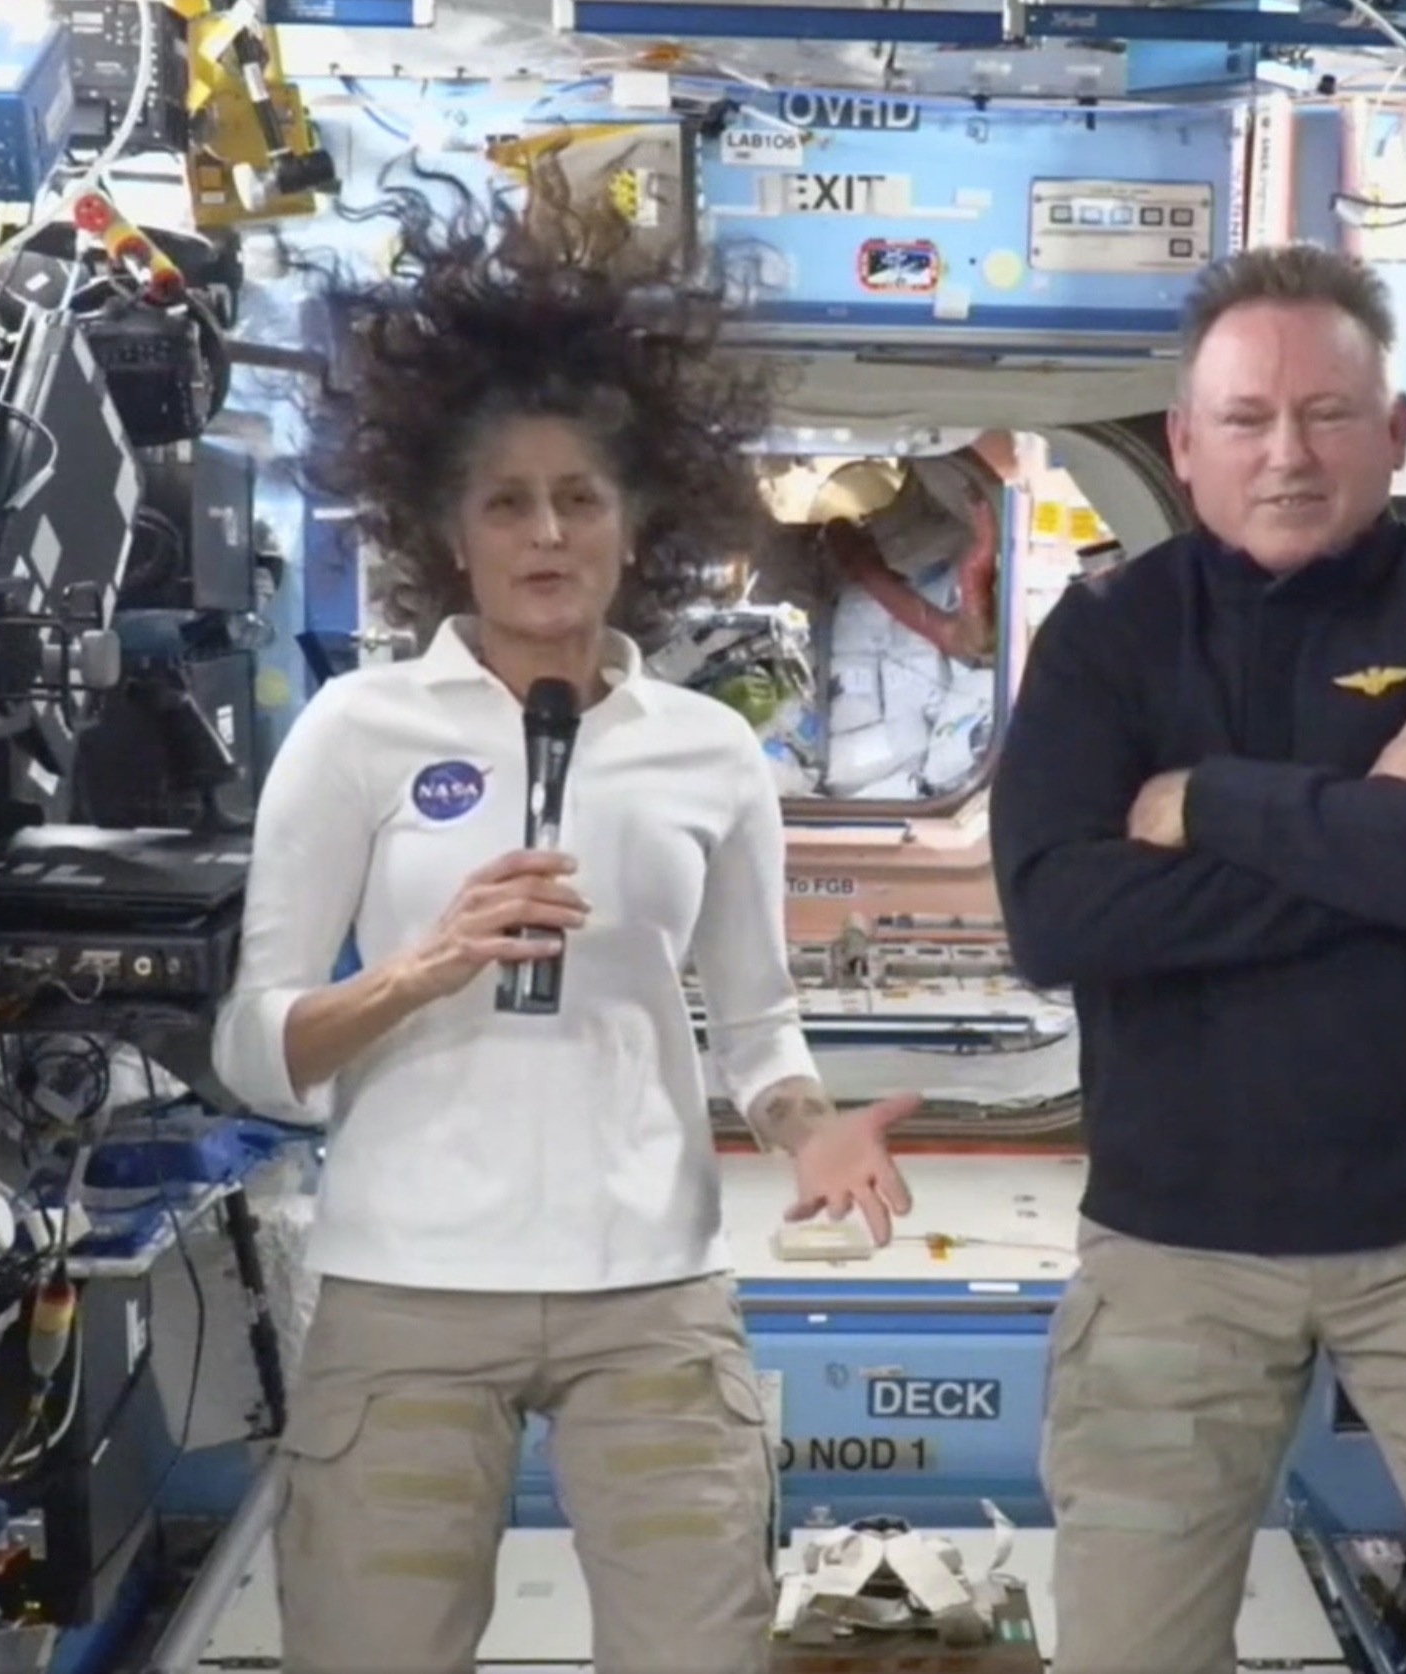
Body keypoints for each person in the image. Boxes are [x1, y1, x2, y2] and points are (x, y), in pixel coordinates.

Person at [211, 186, 918, 1674]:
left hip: (649, 1289)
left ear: (637, 521)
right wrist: (424, 965)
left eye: (580, 497)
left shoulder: (710, 753)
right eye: (507, 501)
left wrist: (808, 1128)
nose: (547, 530)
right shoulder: (355, 730)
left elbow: (758, 1021)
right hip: (404, 1287)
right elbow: (256, 1049)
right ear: (447, 531)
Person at [987, 243, 1406, 1674]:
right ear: (1184, 442)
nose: (1285, 454)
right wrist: (1377, 830)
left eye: (1326, 414)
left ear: (1397, 432)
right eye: (1244, 418)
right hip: (1175, 1250)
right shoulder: (1108, 637)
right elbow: (1061, 918)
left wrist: (1214, 804)